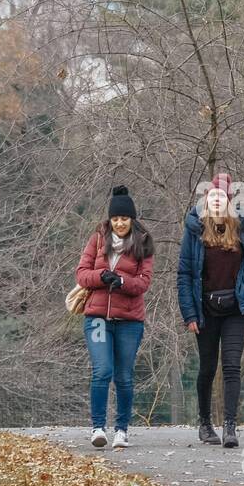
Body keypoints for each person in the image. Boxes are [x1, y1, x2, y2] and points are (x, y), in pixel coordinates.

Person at [177, 173, 244, 447]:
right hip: (205, 309)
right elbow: (185, 274)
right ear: (206, 199)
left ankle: (230, 427)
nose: (216, 201)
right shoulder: (195, 230)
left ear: (228, 201)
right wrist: (189, 314)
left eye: (221, 197)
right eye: (211, 196)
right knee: (207, 368)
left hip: (236, 307)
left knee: (232, 366)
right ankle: (204, 423)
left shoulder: (240, 228)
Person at [75, 185, 154, 448]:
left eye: (124, 218)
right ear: (110, 219)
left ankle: (122, 430)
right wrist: (101, 276)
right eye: (116, 218)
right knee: (102, 371)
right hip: (97, 317)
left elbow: (143, 283)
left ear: (132, 219)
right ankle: (98, 427)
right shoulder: (97, 239)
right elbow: (82, 273)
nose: (120, 223)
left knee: (124, 376)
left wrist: (120, 281)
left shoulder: (143, 243)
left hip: (130, 321)